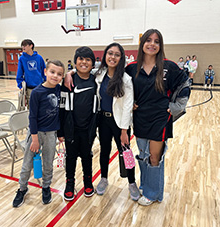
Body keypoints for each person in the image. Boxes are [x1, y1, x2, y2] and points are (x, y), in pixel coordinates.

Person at [125, 29, 190, 206]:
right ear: (142, 43)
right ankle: (146, 186)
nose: (152, 44)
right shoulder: (131, 68)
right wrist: (129, 104)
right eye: (148, 40)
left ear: (160, 45)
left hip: (160, 118)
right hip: (140, 118)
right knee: (143, 154)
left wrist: (177, 107)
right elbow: (120, 87)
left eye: (156, 41)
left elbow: (185, 83)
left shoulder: (169, 66)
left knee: (154, 157)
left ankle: (153, 194)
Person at [12, 60, 65, 208]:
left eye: (59, 74)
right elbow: (32, 117)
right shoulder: (36, 92)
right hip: (35, 134)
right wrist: (34, 138)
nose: (55, 76)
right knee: (27, 164)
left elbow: (60, 114)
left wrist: (60, 133)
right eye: (52, 72)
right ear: (45, 72)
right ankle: (22, 188)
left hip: (51, 134)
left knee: (48, 163)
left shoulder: (59, 90)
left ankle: (46, 187)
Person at [94, 43, 140, 200]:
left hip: (120, 123)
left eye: (116, 55)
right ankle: (104, 178)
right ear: (105, 55)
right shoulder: (99, 74)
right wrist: (70, 72)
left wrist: (124, 130)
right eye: (110, 53)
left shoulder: (125, 79)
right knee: (104, 151)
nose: (112, 57)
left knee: (126, 152)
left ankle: (132, 182)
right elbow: (81, 72)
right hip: (103, 121)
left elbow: (128, 106)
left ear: (121, 59)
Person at [58, 46, 98, 201]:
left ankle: (88, 181)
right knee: (71, 156)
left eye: (88, 59)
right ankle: (70, 183)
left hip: (88, 128)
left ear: (92, 64)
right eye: (81, 59)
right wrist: (60, 131)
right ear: (75, 62)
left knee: (87, 155)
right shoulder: (68, 81)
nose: (84, 62)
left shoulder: (96, 80)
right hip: (71, 128)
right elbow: (62, 107)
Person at [16, 39, 46, 109]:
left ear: (31, 46)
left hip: (40, 86)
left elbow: (44, 71)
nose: (23, 47)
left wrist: (46, 81)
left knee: (42, 106)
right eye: (22, 46)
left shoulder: (39, 57)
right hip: (29, 88)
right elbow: (19, 73)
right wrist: (20, 85)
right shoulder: (22, 59)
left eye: (25, 45)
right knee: (31, 108)